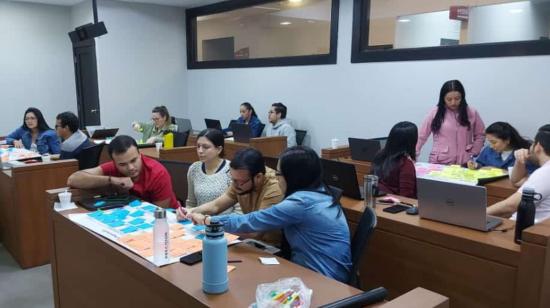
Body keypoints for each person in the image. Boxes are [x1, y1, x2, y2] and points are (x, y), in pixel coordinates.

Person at [186, 146, 352, 283]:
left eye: (279, 174)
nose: (276, 177)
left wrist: (208, 220)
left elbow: (251, 222)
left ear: (293, 177)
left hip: (323, 279)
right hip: (316, 271)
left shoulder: (300, 203)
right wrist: (196, 213)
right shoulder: (318, 191)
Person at [177, 147, 283, 244]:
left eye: (239, 181)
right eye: (232, 179)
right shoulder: (241, 179)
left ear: (258, 177)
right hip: (249, 241)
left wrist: (207, 221)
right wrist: (191, 211)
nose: (235, 185)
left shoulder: (274, 188)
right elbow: (216, 206)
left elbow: (255, 232)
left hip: (270, 246)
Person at [67, 135, 179, 208]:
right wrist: (112, 180)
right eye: (122, 164)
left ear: (140, 154)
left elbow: (160, 213)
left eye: (134, 160)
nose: (130, 167)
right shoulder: (112, 168)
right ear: (114, 162)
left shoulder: (157, 173)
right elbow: (73, 179)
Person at [487, 125, 550, 222]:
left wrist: (478, 214)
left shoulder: (545, 173)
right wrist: (519, 161)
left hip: (529, 230)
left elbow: (510, 206)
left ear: (538, 147)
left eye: (533, 143)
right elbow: (517, 181)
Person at [416, 80, 485, 165]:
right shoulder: (435, 113)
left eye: (457, 99)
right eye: (449, 99)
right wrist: (413, 156)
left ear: (462, 97)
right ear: (443, 98)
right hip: (439, 162)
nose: (453, 102)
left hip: (465, 163)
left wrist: (473, 152)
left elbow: (480, 135)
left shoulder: (472, 112)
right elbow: (421, 136)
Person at [186, 129, 241, 214]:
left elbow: (239, 210)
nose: (200, 151)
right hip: (198, 223)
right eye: (198, 146)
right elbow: (191, 203)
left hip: (224, 223)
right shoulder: (194, 169)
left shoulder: (231, 170)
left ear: (219, 149)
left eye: (205, 147)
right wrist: (186, 213)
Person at [467, 122, 536, 175]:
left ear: (507, 140)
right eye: (489, 142)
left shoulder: (524, 153)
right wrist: (475, 166)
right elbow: (481, 165)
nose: (491, 146)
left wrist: (501, 172)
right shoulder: (488, 150)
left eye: (494, 142)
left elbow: (531, 175)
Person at [372, 121, 418, 198]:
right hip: (395, 204)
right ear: (412, 141)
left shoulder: (379, 155)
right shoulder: (405, 164)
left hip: (379, 199)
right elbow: (406, 196)